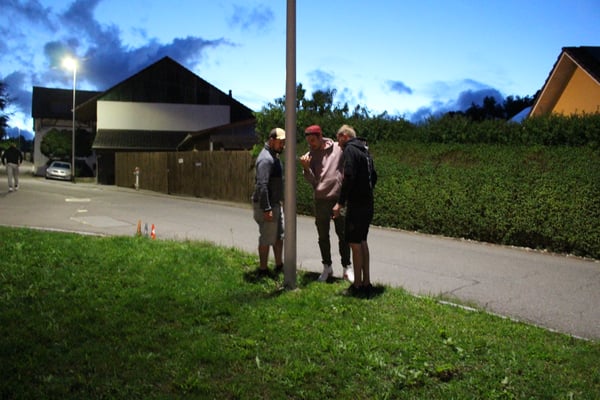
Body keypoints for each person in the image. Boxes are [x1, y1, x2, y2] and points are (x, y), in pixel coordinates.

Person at [299, 124, 352, 282]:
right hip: (321, 200)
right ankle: (327, 267)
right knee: (323, 236)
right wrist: (306, 168)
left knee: (343, 234)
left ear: (320, 136)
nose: (311, 144)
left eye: (313, 140)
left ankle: (347, 268)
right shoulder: (309, 155)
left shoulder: (338, 148)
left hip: (339, 200)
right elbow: (312, 181)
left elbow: (352, 158)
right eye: (308, 141)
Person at [333, 124, 377, 296]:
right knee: (362, 240)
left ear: (344, 136)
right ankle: (366, 282)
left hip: (357, 205)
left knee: (354, 244)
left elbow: (348, 177)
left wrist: (340, 203)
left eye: (338, 140)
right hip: (368, 203)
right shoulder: (365, 151)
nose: (338, 144)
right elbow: (374, 177)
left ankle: (357, 285)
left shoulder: (350, 150)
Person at [252, 127, 286, 275]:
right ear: (271, 140)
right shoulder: (266, 159)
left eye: (284, 142)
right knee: (267, 238)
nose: (283, 145)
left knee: (278, 236)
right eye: (280, 142)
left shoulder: (274, 156)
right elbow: (262, 185)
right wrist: (267, 208)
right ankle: (263, 270)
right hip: (267, 206)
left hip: (275, 204)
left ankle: (279, 266)